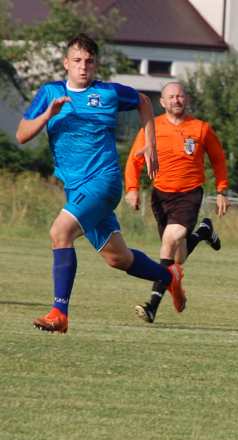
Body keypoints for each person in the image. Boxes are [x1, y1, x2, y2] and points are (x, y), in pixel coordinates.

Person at [15, 33, 185, 334]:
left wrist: (150, 144)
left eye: (89, 62)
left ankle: (59, 313)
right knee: (118, 258)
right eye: (77, 61)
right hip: (76, 188)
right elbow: (22, 135)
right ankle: (169, 276)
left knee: (60, 232)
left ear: (96, 65)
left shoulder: (108, 93)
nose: (83, 67)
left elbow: (144, 102)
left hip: (103, 182)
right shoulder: (49, 92)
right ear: (66, 63)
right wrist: (48, 114)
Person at [124, 82, 229, 323]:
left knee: (169, 242)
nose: (176, 100)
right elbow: (134, 160)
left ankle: (152, 305)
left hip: (189, 194)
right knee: (177, 258)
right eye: (171, 97)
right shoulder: (151, 128)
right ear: (162, 102)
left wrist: (222, 190)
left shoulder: (201, 129)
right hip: (160, 196)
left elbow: (218, 160)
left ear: (187, 99)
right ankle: (203, 232)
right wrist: (132, 189)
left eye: (180, 96)